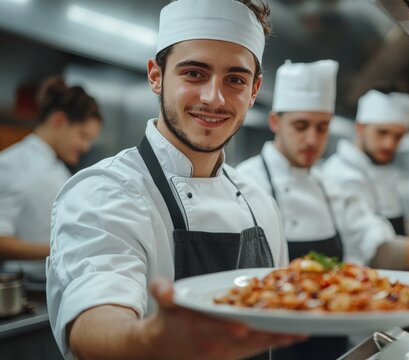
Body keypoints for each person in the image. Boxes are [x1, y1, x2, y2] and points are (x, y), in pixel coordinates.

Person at [46, 1, 301, 359]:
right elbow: (93, 321)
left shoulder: (261, 203)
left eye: (235, 79)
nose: (214, 98)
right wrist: (151, 340)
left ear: (254, 90)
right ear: (156, 75)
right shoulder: (105, 192)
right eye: (194, 73)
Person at [237, 60, 409, 272]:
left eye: (322, 127)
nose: (312, 139)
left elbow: (375, 244)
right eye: (300, 126)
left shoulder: (325, 185)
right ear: (275, 122)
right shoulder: (247, 184)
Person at [0, 76, 102, 280]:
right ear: (59, 121)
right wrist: (61, 248)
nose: (86, 147)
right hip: (25, 286)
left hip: (59, 283)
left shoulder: (59, 168)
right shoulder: (10, 165)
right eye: (83, 135)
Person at [323, 89, 409, 235]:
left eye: (398, 136)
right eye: (382, 132)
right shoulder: (341, 174)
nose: (389, 144)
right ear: (360, 128)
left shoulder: (384, 170)